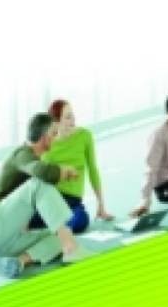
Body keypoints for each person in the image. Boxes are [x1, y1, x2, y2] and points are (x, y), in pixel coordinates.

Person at [0, 113, 82, 278]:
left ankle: (18, 262)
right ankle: (69, 244)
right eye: (54, 134)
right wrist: (63, 171)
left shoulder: (33, 161)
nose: (56, 138)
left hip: (9, 240)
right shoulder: (21, 155)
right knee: (40, 183)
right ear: (44, 137)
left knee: (59, 236)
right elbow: (42, 173)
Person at [44, 98, 115, 233]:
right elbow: (41, 173)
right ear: (56, 122)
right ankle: (54, 222)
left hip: (73, 200)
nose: (73, 120)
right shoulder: (48, 142)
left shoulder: (84, 136)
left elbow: (93, 170)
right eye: (68, 117)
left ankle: (54, 224)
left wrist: (101, 205)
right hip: (52, 198)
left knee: (81, 221)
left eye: (73, 115)